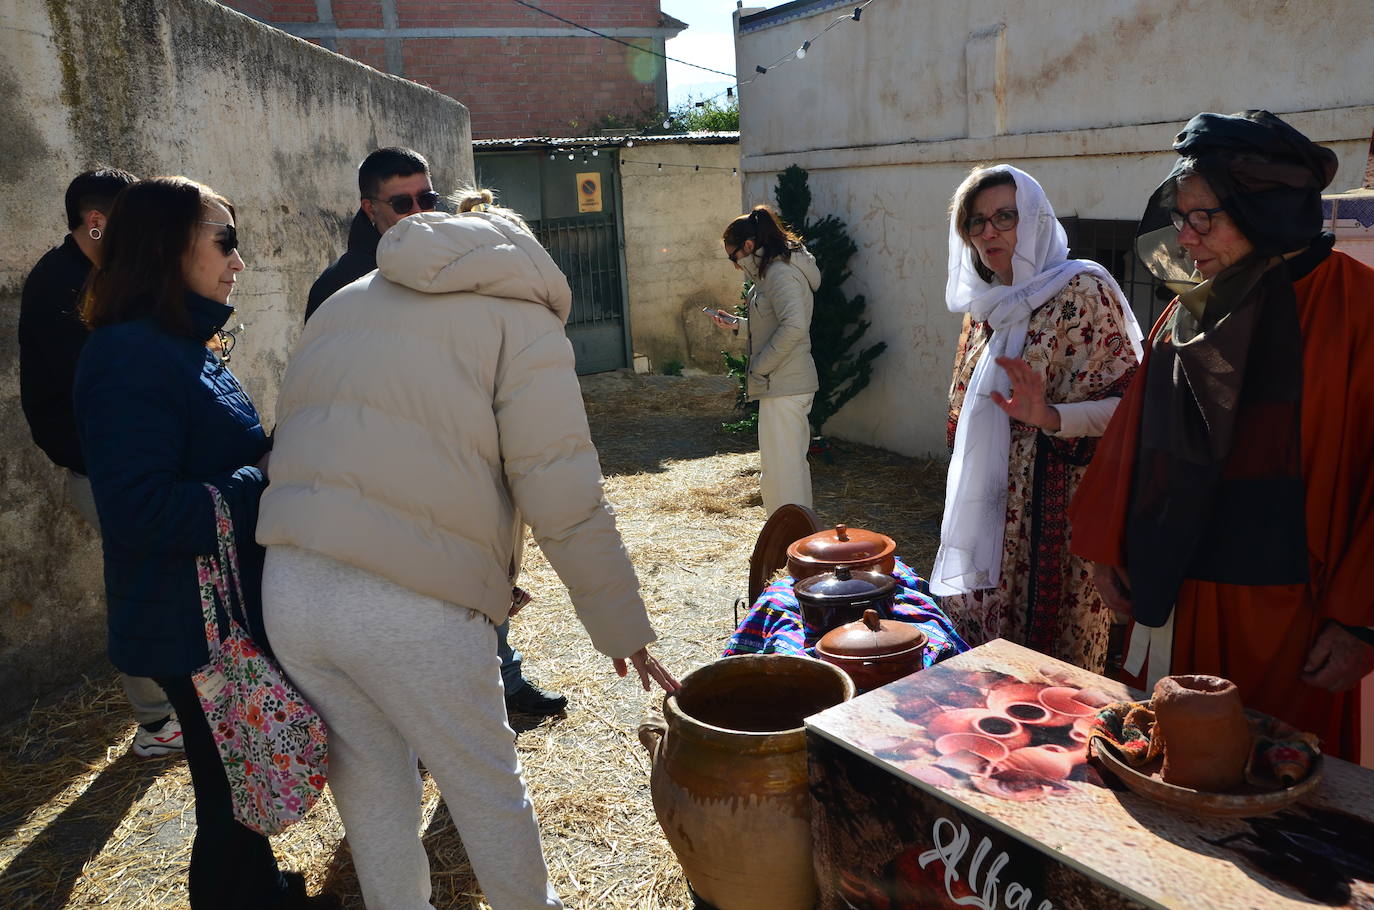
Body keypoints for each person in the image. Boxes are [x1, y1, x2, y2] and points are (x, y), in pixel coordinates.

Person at [257, 189, 679, 909]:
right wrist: (624, 631)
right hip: (410, 604)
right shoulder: (522, 320)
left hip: (292, 588)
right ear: (521, 255)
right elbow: (564, 496)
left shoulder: (344, 299)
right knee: (486, 789)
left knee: (372, 791)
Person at [1070, 110, 1374, 761]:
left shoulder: (1361, 310)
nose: (1184, 238)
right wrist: (1104, 544)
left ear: (1264, 209)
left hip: (1297, 627)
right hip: (1180, 595)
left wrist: (1360, 622)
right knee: (1170, 770)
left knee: (1283, 800)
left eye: (1203, 217)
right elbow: (1135, 430)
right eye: (1179, 218)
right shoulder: (1193, 306)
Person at [73, 177, 338, 909]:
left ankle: (257, 890)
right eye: (225, 241)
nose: (238, 262)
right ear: (168, 247)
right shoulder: (130, 355)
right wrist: (267, 475)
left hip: (202, 613)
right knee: (226, 792)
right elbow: (140, 510)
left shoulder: (173, 342)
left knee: (233, 779)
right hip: (185, 621)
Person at [307, 147, 565, 716]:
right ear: (369, 209)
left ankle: (506, 684)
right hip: (392, 485)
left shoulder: (456, 269)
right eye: (402, 203)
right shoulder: (342, 286)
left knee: (486, 589)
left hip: (465, 465)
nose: (420, 212)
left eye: (429, 198)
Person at [928, 165, 1143, 675]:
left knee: (1053, 683)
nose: (989, 232)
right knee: (984, 670)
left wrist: (1049, 415)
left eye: (1006, 215)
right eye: (975, 223)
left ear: (1037, 218)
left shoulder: (1085, 291)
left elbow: (1133, 409)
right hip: (990, 516)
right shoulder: (984, 309)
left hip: (1061, 521)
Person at [18, 167, 184, 758]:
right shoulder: (64, 287)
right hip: (102, 473)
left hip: (113, 469)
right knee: (137, 586)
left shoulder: (93, 277)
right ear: (96, 223)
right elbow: (99, 397)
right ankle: (155, 721)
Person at [713, 205, 821, 515]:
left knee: (784, 471)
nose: (735, 265)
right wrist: (739, 325)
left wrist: (759, 366)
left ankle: (793, 543)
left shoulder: (779, 272)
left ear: (749, 246)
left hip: (784, 383)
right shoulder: (775, 271)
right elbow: (778, 324)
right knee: (781, 468)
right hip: (784, 382)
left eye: (734, 257)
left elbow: (795, 327)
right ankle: (791, 540)